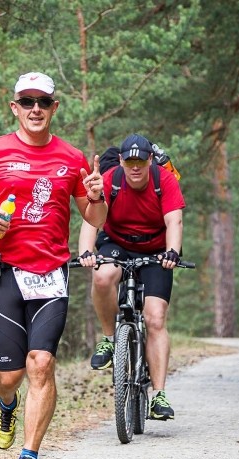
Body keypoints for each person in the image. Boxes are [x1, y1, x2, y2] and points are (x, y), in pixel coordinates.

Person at [0, 72, 107, 459]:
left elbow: (95, 219)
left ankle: (29, 458)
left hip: (51, 274)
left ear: (55, 108)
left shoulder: (72, 158)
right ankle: (6, 405)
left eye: (44, 101)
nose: (36, 108)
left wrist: (96, 197)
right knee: (10, 375)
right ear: (15, 107)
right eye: (27, 101)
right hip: (3, 273)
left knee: (42, 363)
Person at [77, 133, 185, 420]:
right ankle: (110, 339)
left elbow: (174, 219)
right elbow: (92, 218)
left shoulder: (165, 180)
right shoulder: (111, 179)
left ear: (150, 160)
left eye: (141, 161)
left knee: (155, 318)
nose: (135, 167)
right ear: (122, 161)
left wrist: (173, 251)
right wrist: (86, 252)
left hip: (156, 249)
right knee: (101, 277)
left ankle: (158, 395)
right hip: (117, 242)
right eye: (129, 161)